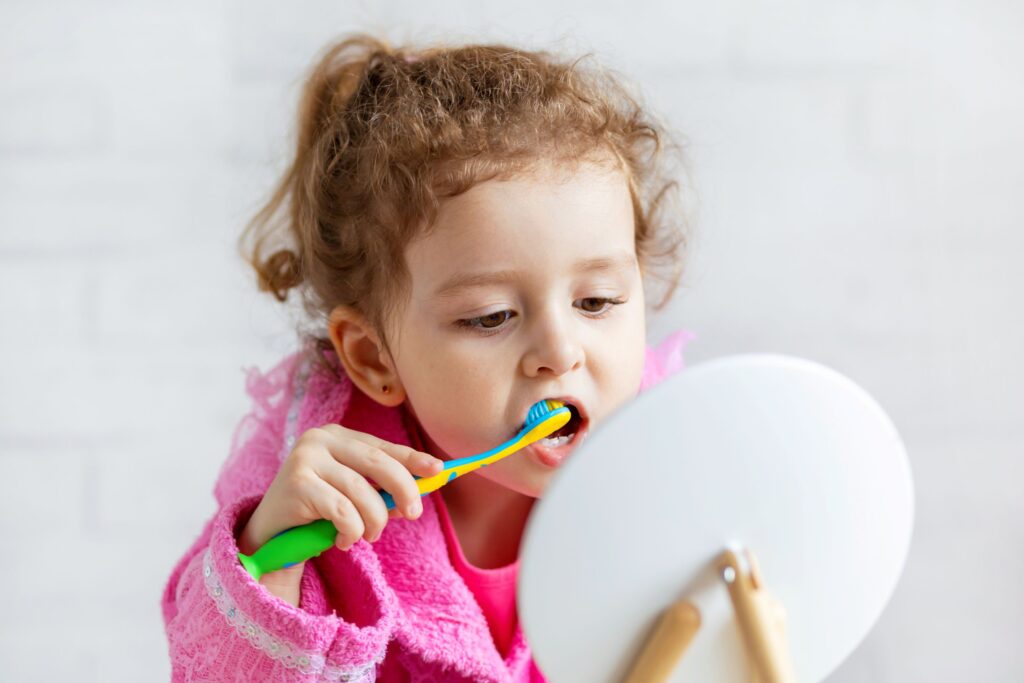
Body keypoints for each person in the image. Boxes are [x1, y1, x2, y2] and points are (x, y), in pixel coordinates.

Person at [161, 31, 696, 682]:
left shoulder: (676, 467)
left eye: (599, 301)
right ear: (374, 358)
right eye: (492, 316)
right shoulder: (314, 493)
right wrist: (270, 558)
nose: (560, 352)